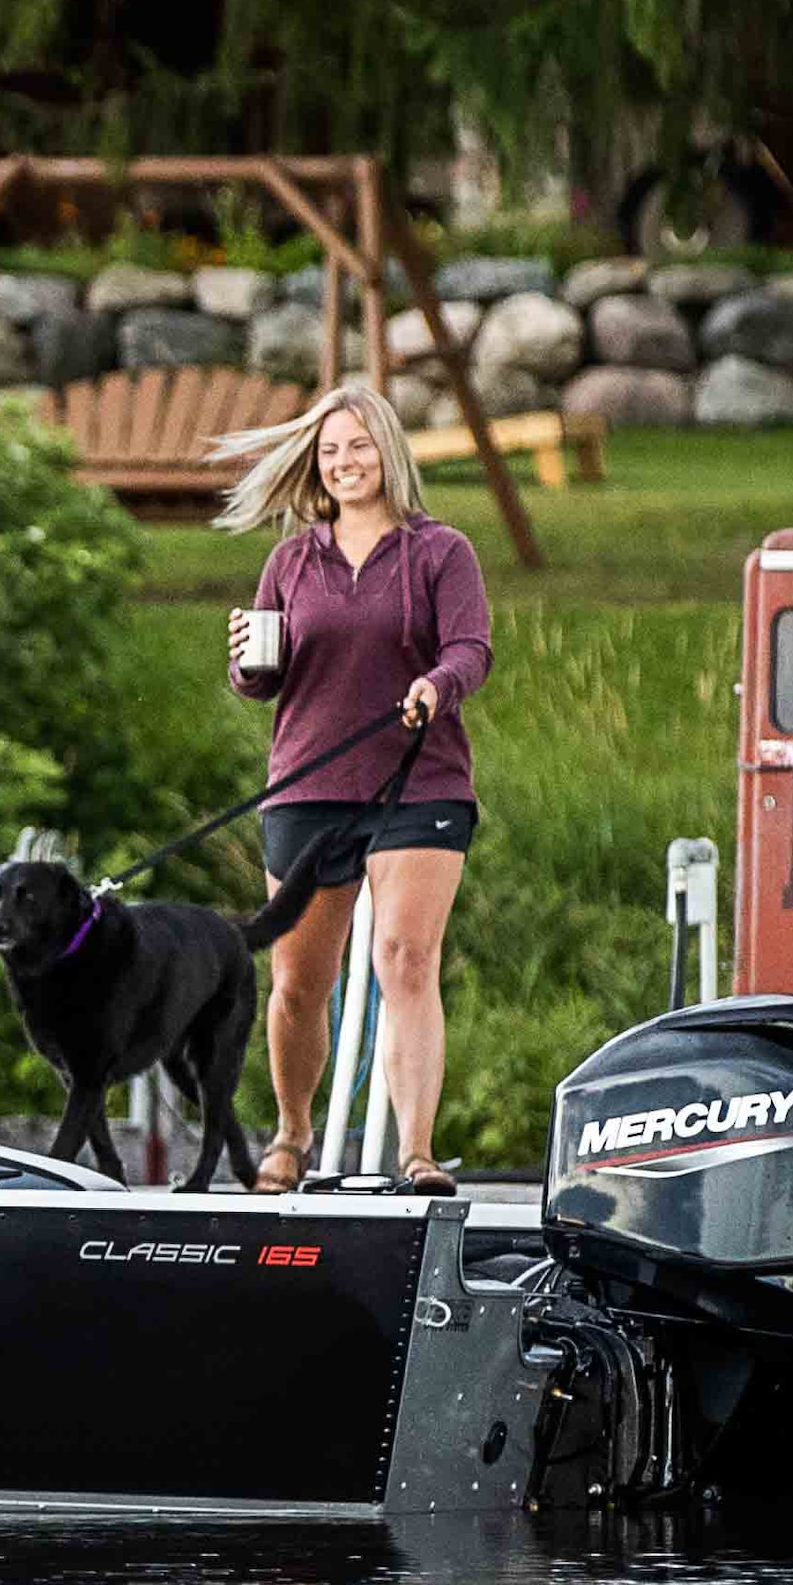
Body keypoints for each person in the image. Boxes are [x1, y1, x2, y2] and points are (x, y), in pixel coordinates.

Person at [216, 380, 492, 1184]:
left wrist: (436, 685)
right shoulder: (291, 561)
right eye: (331, 450)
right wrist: (245, 657)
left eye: (360, 446)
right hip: (307, 785)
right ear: (316, 465)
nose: (345, 462)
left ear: (389, 454)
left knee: (406, 957)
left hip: (420, 780)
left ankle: (416, 1152)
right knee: (300, 981)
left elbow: (472, 647)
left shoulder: (442, 551)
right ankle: (292, 1135)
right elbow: (260, 684)